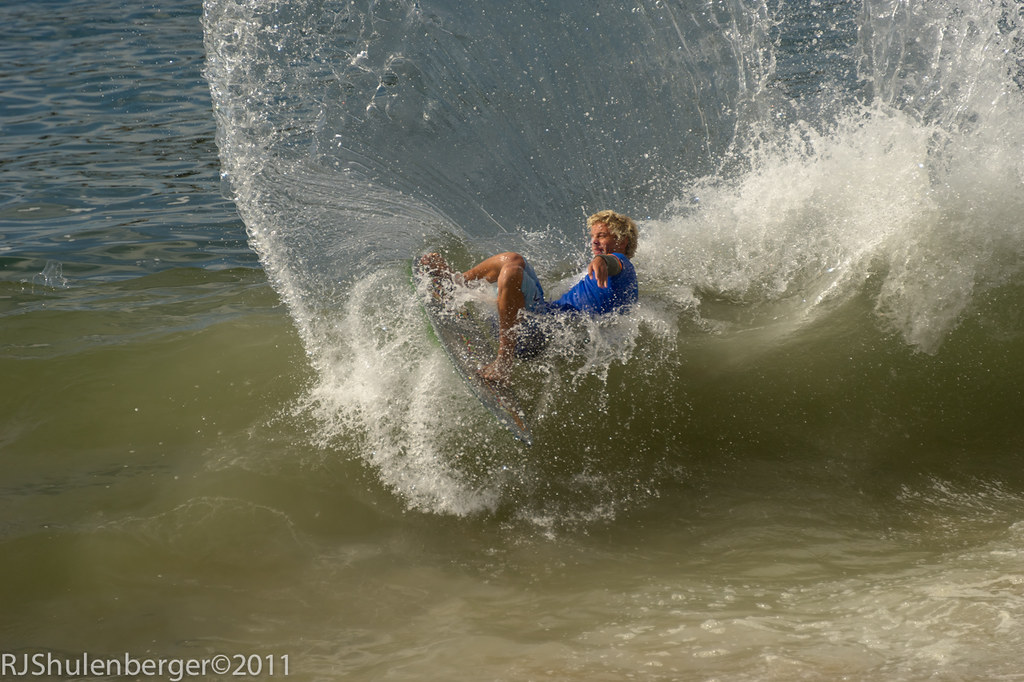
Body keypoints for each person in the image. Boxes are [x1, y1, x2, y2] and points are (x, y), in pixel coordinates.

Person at [420, 210, 638, 383]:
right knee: (512, 260)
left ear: (623, 241)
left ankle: (503, 363)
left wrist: (602, 261)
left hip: (538, 339)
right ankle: (456, 282)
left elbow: (615, 263)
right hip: (536, 323)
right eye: (592, 236)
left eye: (602, 236)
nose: (594, 242)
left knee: (513, 271)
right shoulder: (603, 274)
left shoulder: (623, 267)